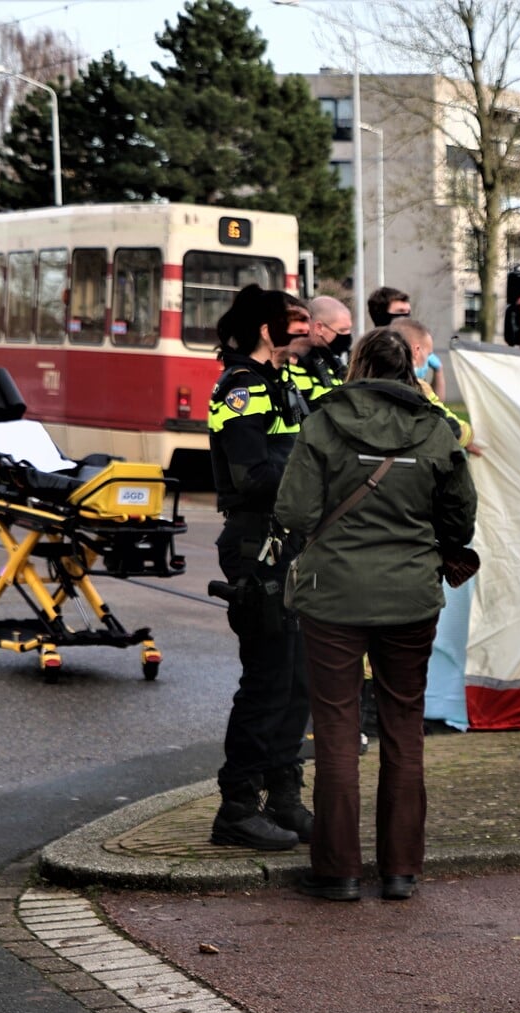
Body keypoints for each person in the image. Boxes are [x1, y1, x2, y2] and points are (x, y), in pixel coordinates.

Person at [274, 328, 477, 902]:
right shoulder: (437, 430)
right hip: (411, 595)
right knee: (404, 727)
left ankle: (338, 871)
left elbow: (293, 509)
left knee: (337, 729)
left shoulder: (322, 422)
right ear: (411, 367)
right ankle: (400, 870)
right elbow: (460, 521)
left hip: (333, 593)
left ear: (358, 363)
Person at [207, 285, 316, 851]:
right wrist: (317, 480)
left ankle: (285, 796)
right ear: (266, 331)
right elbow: (252, 475)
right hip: (257, 544)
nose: (305, 328)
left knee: (297, 681)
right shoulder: (241, 387)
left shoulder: (281, 380)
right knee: (267, 683)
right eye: (293, 321)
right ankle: (237, 808)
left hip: (291, 542)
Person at [392, 317, 480, 454]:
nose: (429, 360)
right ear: (416, 351)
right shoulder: (418, 388)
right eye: (429, 354)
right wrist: (469, 436)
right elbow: (449, 424)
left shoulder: (366, 378)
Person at [287, 296, 354, 401]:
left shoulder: (330, 360)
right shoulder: (291, 361)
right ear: (319, 328)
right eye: (342, 330)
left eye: (349, 330)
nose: (347, 336)